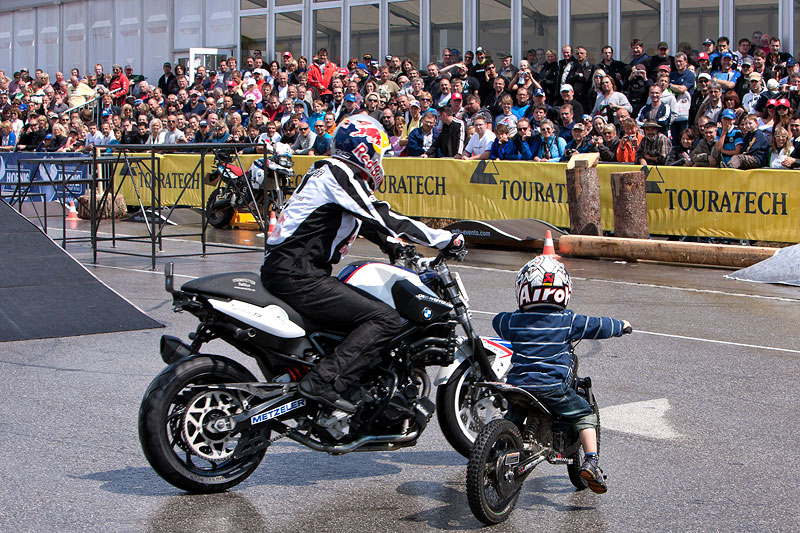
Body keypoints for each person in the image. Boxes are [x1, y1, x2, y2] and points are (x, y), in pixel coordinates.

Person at [260, 114, 465, 413]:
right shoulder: (339, 173)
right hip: (298, 273)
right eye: (376, 154)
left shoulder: (324, 172)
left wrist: (392, 244)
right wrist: (443, 239)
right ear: (362, 151)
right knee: (386, 320)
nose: (378, 161)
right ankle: (325, 381)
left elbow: (362, 219)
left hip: (289, 269)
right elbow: (381, 215)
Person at [493, 255, 631, 494]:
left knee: (512, 415)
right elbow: (598, 325)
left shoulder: (513, 321)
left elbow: (498, 321)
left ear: (523, 291)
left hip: (517, 386)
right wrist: (621, 326)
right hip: (551, 387)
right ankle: (591, 462)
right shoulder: (568, 321)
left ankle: (492, 450)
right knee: (585, 415)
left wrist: (516, 320)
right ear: (563, 292)